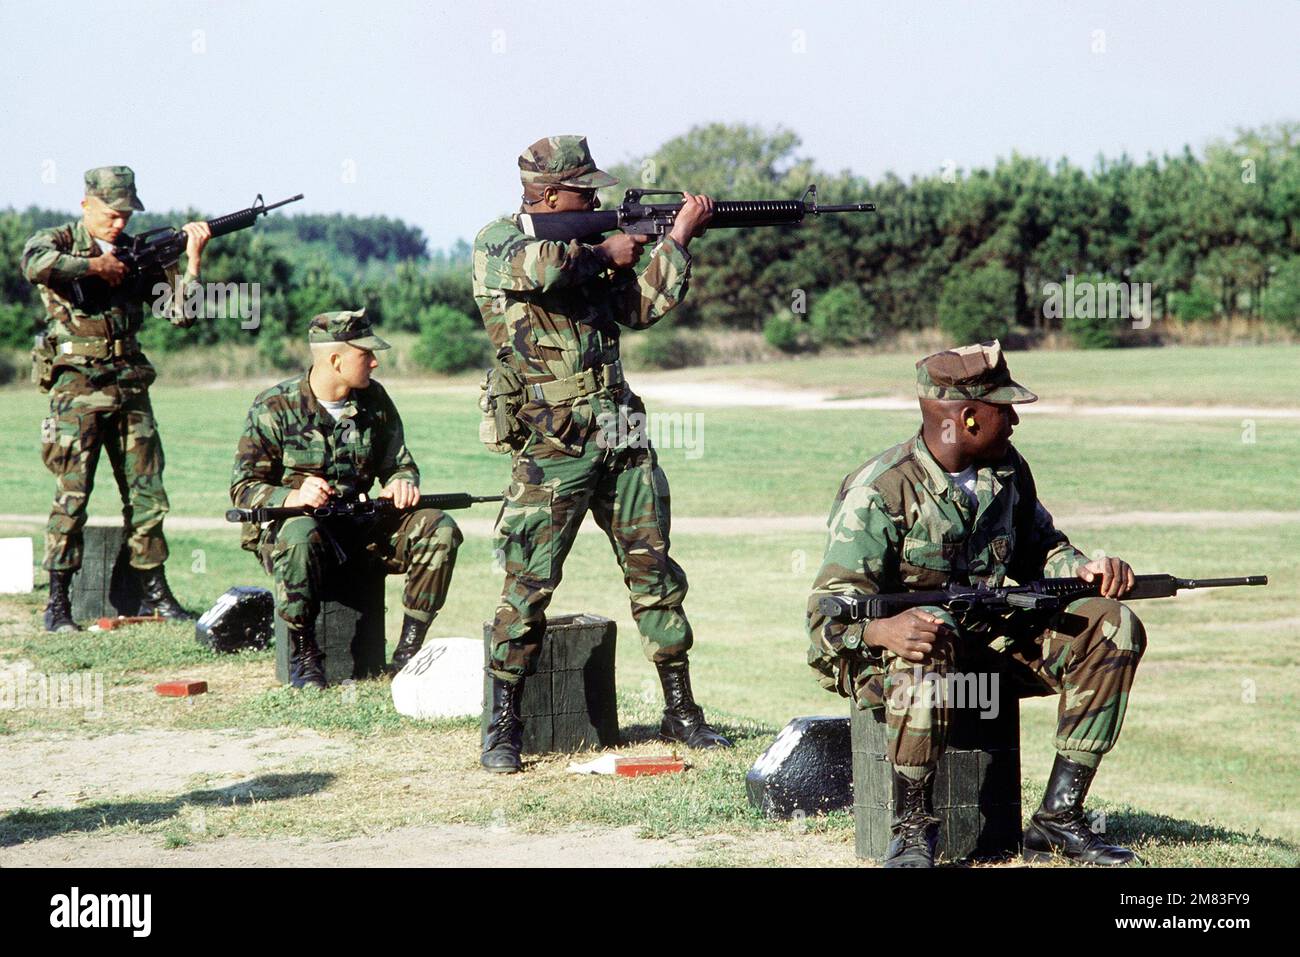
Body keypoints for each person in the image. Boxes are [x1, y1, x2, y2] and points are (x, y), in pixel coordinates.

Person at [806, 341, 1147, 867]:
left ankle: (1058, 818)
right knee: (927, 629)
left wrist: (1084, 571)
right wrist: (881, 632)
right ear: (967, 418)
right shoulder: (881, 491)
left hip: (988, 644)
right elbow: (825, 617)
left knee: (1112, 625)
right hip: (895, 666)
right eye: (1003, 408)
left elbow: (1044, 548)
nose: (1013, 420)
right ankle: (912, 826)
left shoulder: (1006, 472)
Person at [472, 135, 730, 773]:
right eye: (586, 192)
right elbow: (542, 269)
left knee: (654, 571)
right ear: (550, 194)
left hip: (619, 428)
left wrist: (676, 243)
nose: (597, 200)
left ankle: (681, 708)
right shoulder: (498, 242)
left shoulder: (586, 252)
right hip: (551, 438)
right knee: (528, 582)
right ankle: (503, 723)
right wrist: (606, 248)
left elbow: (639, 309)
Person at [230, 309, 463, 688]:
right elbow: (243, 488)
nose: (376, 361)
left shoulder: (374, 400)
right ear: (335, 360)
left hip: (360, 527)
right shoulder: (274, 406)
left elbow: (400, 464)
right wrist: (293, 495)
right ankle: (305, 654)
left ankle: (408, 652)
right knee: (301, 533)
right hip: (298, 536)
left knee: (438, 528)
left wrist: (401, 483)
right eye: (366, 354)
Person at [22, 166, 211, 631]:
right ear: (86, 204)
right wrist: (93, 266)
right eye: (111, 214)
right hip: (77, 390)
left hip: (129, 387)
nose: (119, 223)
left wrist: (193, 261)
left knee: (148, 495)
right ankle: (59, 603)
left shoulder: (137, 254)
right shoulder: (59, 241)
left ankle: (156, 592)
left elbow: (181, 316)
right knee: (72, 495)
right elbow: (33, 264)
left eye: (126, 214)